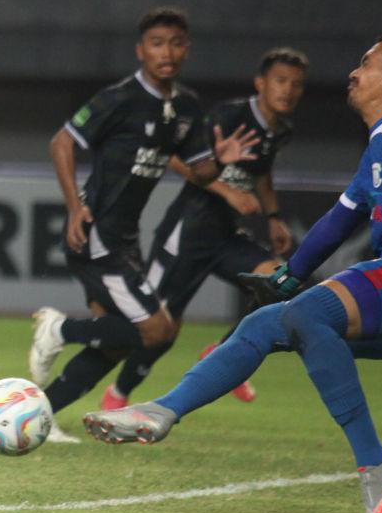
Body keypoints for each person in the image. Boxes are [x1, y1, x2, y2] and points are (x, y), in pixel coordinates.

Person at [83, 33, 382, 513]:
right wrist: (291, 274)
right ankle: (164, 409)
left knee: (307, 315)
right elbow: (338, 221)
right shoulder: (381, 142)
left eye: (365, 62)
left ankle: (375, 465)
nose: (352, 72)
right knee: (266, 322)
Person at [27, 7, 259, 443]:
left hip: (124, 241)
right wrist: (74, 207)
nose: (166, 52)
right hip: (96, 235)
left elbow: (199, 172)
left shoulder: (187, 108)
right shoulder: (118, 100)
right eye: (156, 44)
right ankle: (59, 329)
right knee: (156, 330)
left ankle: (42, 414)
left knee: (116, 342)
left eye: (175, 43)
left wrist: (218, 162)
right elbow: (62, 141)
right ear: (141, 51)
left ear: (186, 49)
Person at [100, 48, 309, 410]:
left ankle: (223, 356)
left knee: (280, 282)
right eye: (280, 80)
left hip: (225, 236)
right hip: (187, 231)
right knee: (159, 330)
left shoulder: (281, 131)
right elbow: (177, 157)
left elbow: (261, 172)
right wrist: (228, 192)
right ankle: (117, 394)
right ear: (260, 83)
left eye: (296, 84)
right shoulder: (229, 116)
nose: (287, 90)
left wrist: (273, 217)